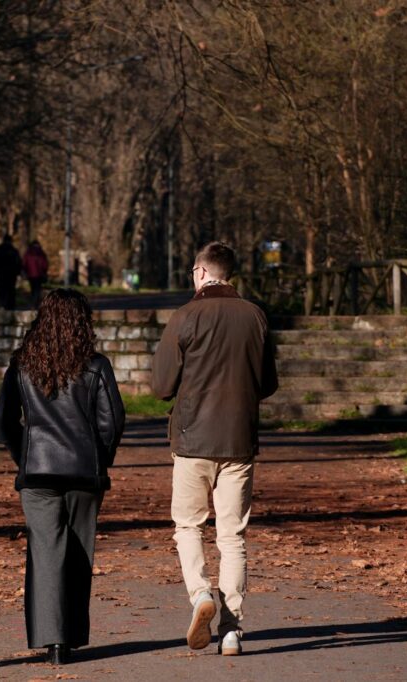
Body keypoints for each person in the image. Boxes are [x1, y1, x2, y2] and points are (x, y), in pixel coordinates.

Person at [151, 241, 278, 657]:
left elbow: (161, 386)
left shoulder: (186, 316)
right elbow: (268, 383)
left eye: (193, 272)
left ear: (202, 272)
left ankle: (201, 594)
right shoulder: (255, 316)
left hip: (192, 440)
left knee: (189, 526)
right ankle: (231, 630)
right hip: (239, 439)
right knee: (233, 536)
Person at [0, 288, 126, 665]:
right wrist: (99, 459)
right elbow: (113, 421)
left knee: (46, 554)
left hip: (38, 473)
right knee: (80, 552)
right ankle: (71, 635)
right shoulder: (96, 365)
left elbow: (2, 420)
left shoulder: (22, 365)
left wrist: (24, 454)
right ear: (83, 323)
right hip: (84, 473)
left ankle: (53, 642)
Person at [0, 234, 23, 310]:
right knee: (11, 290)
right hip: (11, 274)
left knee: (1, 290)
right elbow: (18, 263)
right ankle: (10, 307)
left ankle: (2, 305)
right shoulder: (13, 250)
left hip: (1, 274)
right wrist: (18, 272)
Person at [22, 240, 50, 307]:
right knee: (37, 289)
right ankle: (36, 303)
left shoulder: (28, 252)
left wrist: (25, 272)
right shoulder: (41, 253)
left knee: (33, 289)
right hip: (39, 274)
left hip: (30, 274)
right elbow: (45, 264)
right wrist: (44, 271)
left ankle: (33, 302)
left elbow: (24, 263)